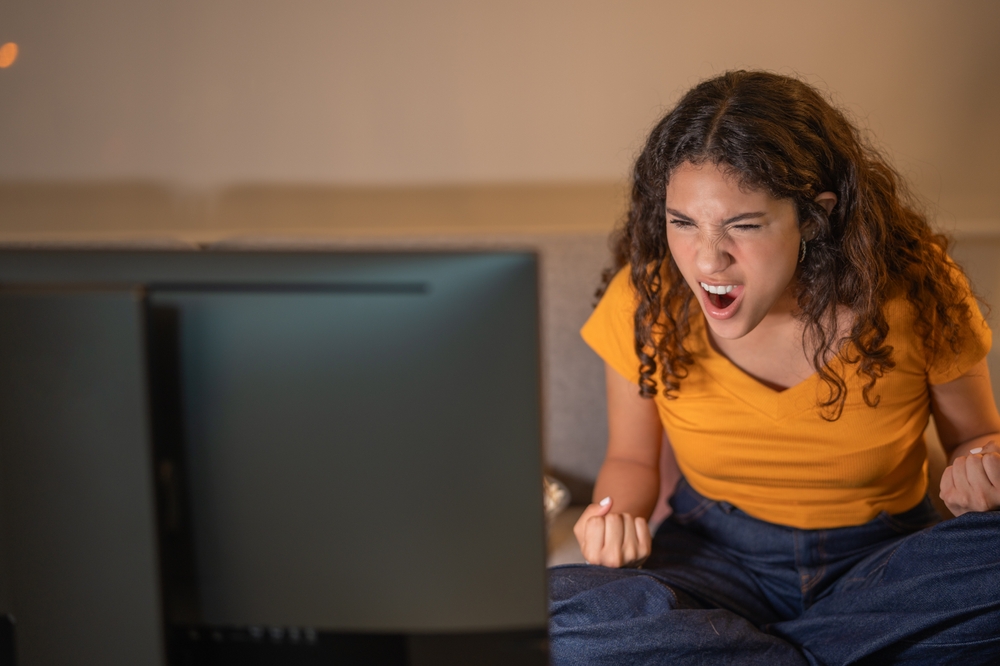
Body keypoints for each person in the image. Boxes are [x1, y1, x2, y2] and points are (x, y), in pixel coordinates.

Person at [548, 70, 1000, 665]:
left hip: (882, 562)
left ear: (814, 217)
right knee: (556, 617)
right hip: (716, 560)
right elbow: (631, 461)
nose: (707, 260)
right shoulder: (646, 301)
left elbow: (976, 437)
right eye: (683, 222)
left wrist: (980, 470)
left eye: (743, 225)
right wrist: (615, 520)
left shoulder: (919, 290)